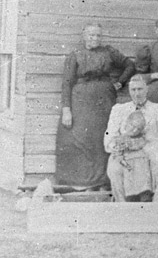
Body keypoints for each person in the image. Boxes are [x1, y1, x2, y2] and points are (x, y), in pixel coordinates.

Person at [55, 23, 135, 190]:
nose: (95, 38)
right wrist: (66, 109)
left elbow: (130, 66)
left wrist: (119, 83)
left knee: (101, 137)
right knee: (80, 137)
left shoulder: (109, 52)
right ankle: (80, 182)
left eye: (98, 35)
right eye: (91, 35)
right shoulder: (75, 55)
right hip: (80, 101)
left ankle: (101, 181)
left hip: (103, 99)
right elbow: (67, 83)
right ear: (84, 36)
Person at [104, 75, 158, 201]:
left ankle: (156, 211)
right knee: (115, 169)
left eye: (140, 89)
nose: (137, 94)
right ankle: (122, 208)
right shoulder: (119, 110)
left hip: (152, 150)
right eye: (133, 90)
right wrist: (116, 146)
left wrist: (150, 145)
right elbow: (110, 135)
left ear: (147, 89)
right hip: (126, 151)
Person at [104, 110, 152, 202]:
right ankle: (129, 196)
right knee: (126, 170)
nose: (134, 130)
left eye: (138, 129)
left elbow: (140, 144)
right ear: (126, 124)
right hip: (125, 161)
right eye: (132, 126)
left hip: (136, 161)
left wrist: (131, 145)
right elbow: (117, 153)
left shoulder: (141, 138)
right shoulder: (119, 138)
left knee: (140, 166)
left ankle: (143, 193)